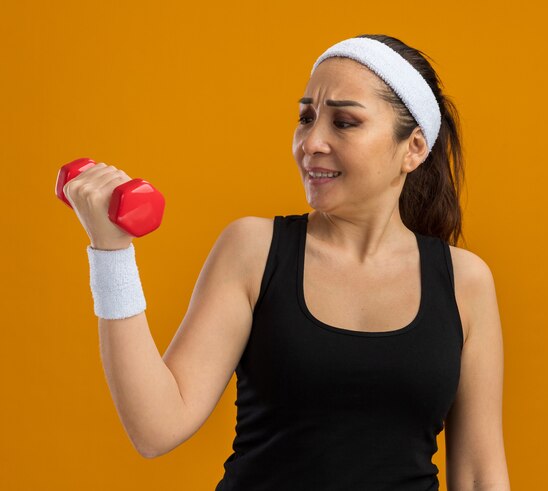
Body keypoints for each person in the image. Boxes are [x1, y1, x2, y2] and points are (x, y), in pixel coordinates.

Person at [64, 34, 510, 490]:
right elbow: (155, 427)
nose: (311, 141)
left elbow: (479, 476)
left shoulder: (464, 281)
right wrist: (111, 252)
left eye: (345, 122)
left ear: (413, 148)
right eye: (306, 118)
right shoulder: (253, 250)